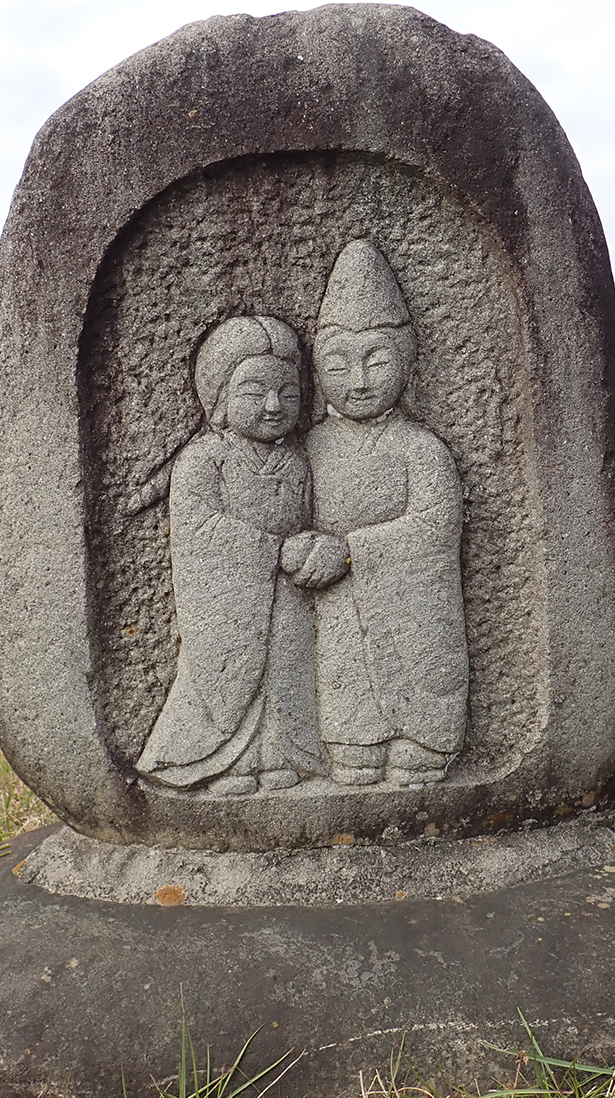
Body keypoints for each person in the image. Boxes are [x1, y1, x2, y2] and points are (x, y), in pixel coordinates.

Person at [136, 316, 339, 795]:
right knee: (227, 677)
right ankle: (228, 763)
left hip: (290, 595)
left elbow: (319, 517)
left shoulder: (300, 459)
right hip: (228, 603)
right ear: (221, 398)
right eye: (254, 393)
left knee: (287, 671)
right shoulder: (205, 459)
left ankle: (282, 756)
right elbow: (201, 528)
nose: (273, 407)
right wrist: (274, 550)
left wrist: (317, 547)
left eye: (287, 393)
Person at [306, 240, 470, 787]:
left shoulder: (420, 449)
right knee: (351, 733)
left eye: (376, 361)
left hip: (414, 607)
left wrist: (352, 549)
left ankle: (423, 741)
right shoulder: (309, 450)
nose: (357, 380)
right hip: (338, 609)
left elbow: (436, 525)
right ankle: (353, 744)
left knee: (416, 756)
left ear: (405, 361)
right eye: (338, 364)